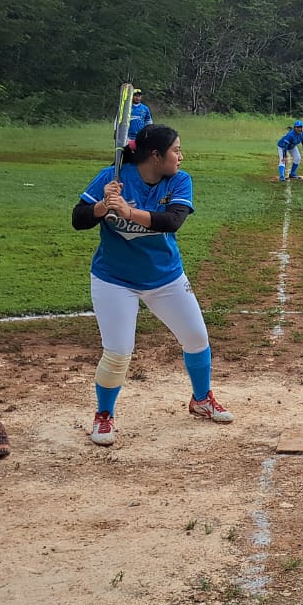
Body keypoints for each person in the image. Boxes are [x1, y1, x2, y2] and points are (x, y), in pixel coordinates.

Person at [72, 124, 229, 446]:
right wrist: (103, 206)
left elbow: (172, 221)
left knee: (196, 338)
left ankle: (201, 400)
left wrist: (128, 211)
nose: (181, 157)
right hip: (114, 279)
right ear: (156, 156)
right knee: (118, 352)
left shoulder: (179, 180)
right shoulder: (112, 177)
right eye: (176, 151)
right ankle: (104, 414)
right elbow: (78, 219)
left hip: (165, 276)